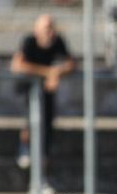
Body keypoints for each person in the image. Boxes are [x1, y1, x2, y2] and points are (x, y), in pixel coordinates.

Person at [10, 14, 76, 176]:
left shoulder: (58, 41)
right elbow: (17, 65)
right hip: (27, 88)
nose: (50, 32)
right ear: (37, 30)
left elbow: (71, 64)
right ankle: (25, 148)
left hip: (46, 90)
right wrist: (49, 73)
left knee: (47, 124)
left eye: (52, 27)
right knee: (30, 120)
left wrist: (57, 73)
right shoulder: (29, 41)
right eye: (47, 28)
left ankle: (43, 176)